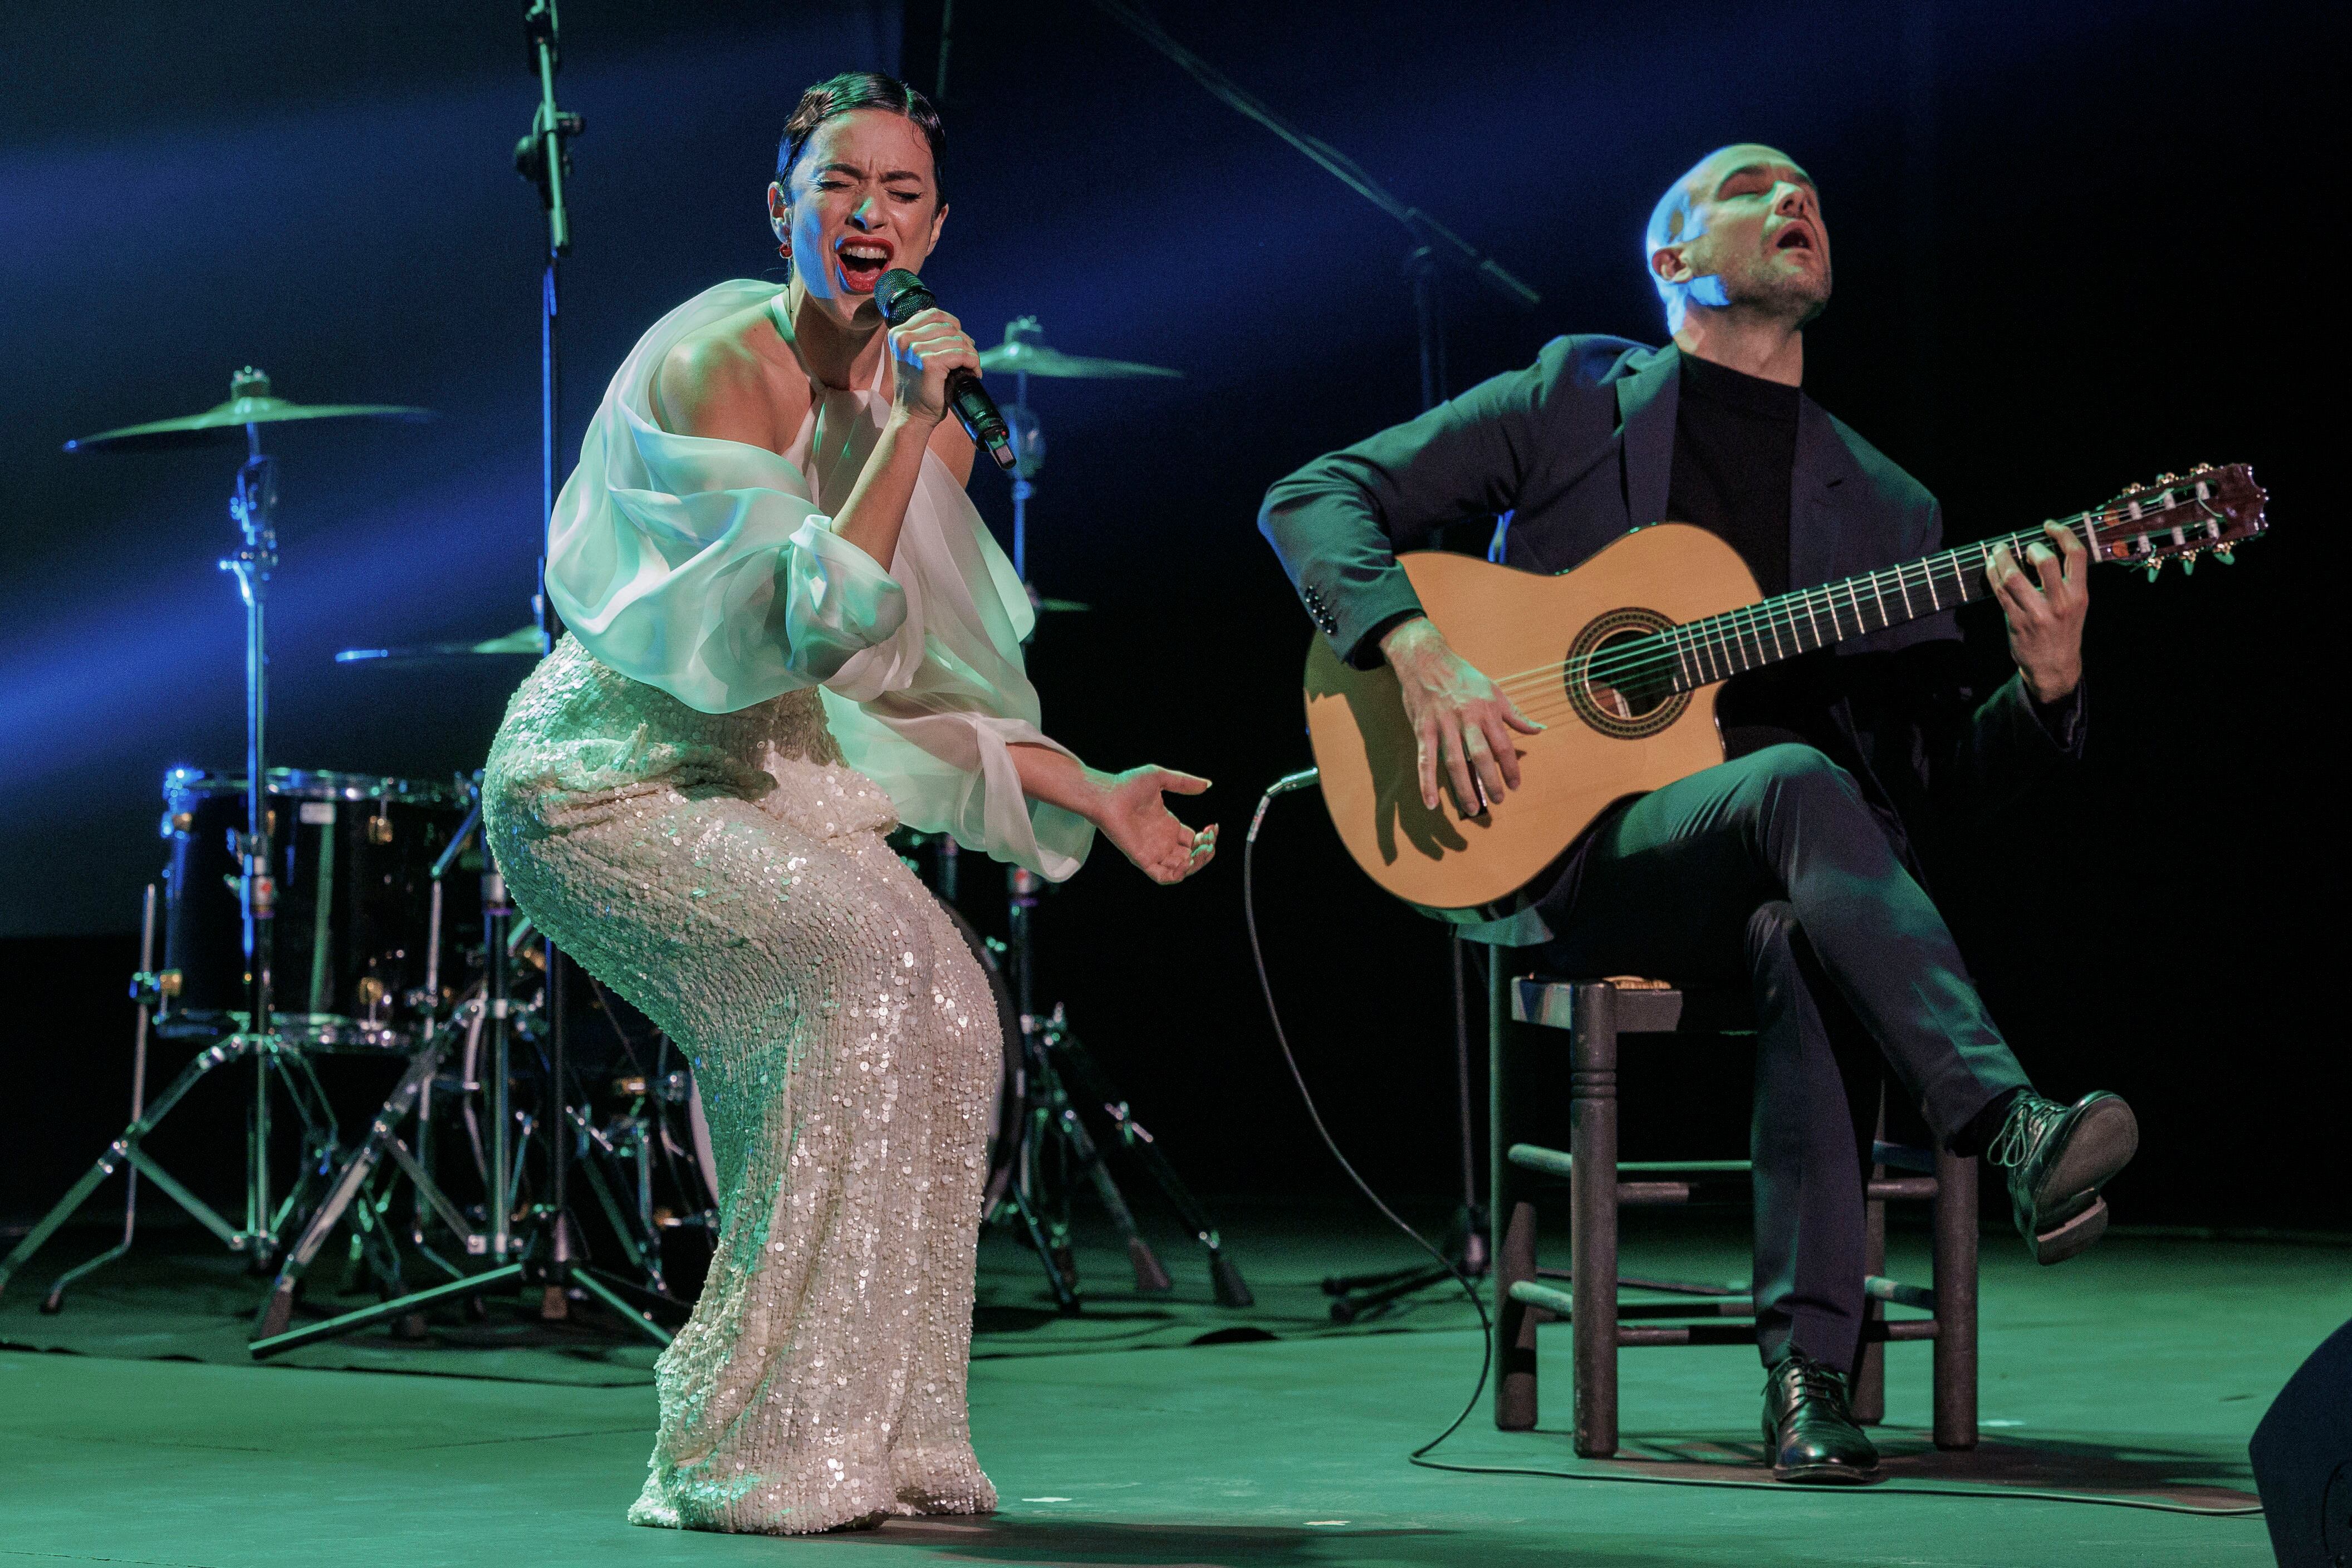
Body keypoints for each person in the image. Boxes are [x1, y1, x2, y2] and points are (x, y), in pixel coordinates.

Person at [1258, 144, 2137, 1484]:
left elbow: (1932, 795)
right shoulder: (1572, 396)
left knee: (1806, 912)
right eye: (1752, 186)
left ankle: (1807, 1379)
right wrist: (1423, 654)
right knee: (1794, 788)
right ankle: (2007, 1124)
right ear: (1670, 257)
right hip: (1576, 849)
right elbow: (1312, 495)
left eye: (1814, 195)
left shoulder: (1892, 507)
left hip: (1793, 871)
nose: (1800, 201)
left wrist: (2047, 686)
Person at [483, 72, 1217, 1534]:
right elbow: (808, 628)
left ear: (936, 227)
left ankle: (891, 1437)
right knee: (865, 972)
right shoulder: (716, 366)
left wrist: (1087, 782)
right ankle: (745, 1445)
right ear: (782, 208)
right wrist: (910, 427)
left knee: (953, 1011)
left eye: (898, 191)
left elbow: (887, 687)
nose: (867, 212)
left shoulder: (913, 409)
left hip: (756, 769)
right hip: (601, 784)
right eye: (838, 183)